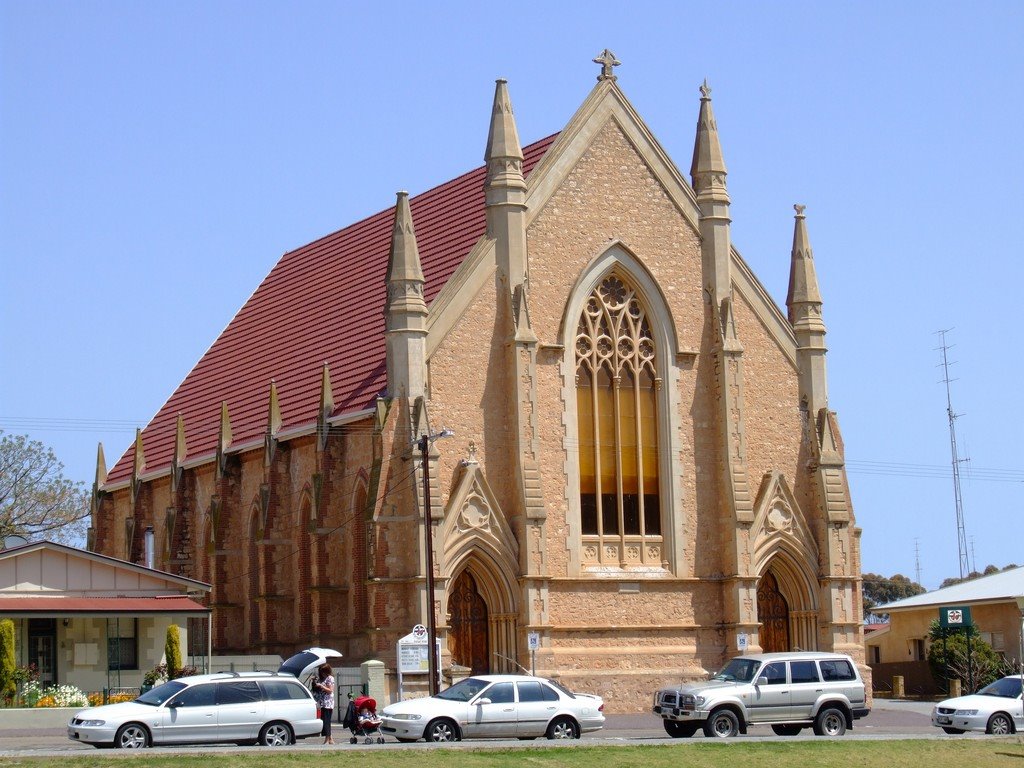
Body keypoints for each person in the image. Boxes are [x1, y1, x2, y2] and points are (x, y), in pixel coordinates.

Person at [311, 663, 336, 744]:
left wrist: (321, 686)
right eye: (320, 672)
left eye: (323, 672)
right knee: (324, 721)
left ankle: (327, 739)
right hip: (321, 703)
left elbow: (330, 690)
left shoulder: (330, 678)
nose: (322, 674)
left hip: (328, 703)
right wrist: (314, 682)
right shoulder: (321, 679)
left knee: (326, 721)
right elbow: (315, 690)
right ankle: (330, 739)